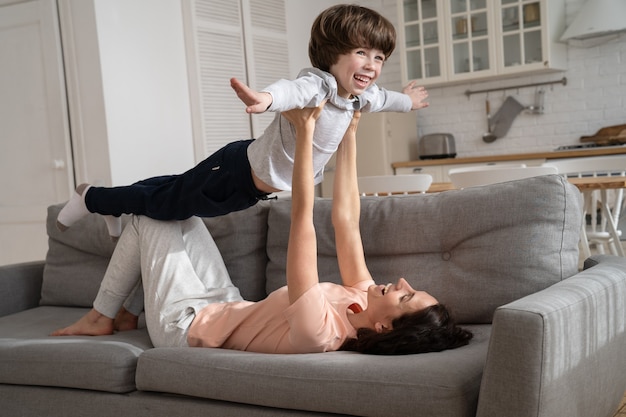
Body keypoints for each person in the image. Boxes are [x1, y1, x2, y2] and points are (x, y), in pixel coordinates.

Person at [52, 104, 472, 355]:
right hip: (223, 303)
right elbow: (346, 222)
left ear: (384, 328)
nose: (400, 282)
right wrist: (350, 135)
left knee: (148, 217)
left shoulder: (320, 333)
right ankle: (122, 309)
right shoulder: (362, 298)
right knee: (182, 210)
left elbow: (304, 221)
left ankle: (100, 315)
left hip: (185, 328)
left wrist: (307, 135)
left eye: (406, 295)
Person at [56, 4, 430, 240]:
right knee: (168, 203)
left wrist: (409, 102)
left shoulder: (359, 97)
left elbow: (387, 99)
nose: (371, 64)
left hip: (249, 183)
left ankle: (108, 201)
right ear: (332, 55)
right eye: (361, 52)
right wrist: (265, 99)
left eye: (379, 57)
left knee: (171, 189)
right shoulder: (320, 86)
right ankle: (91, 198)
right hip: (234, 175)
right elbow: (290, 91)